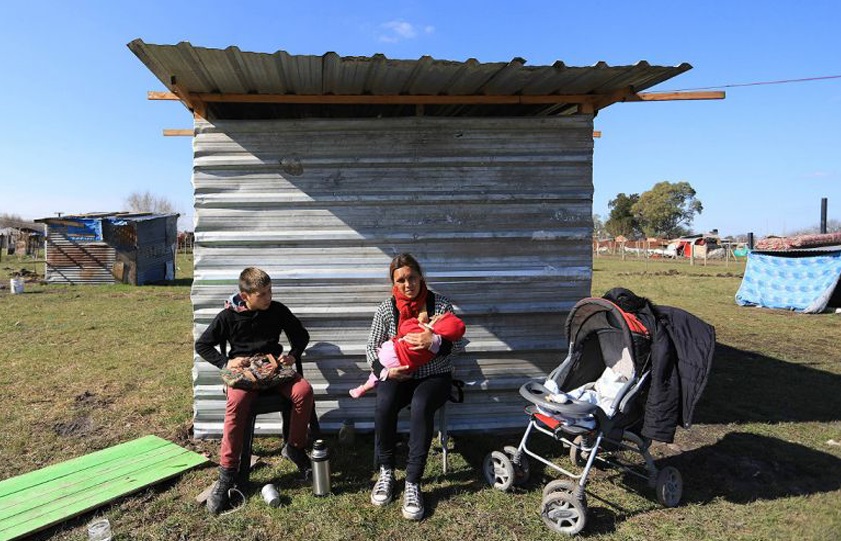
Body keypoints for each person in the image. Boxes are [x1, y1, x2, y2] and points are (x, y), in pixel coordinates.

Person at [195, 267, 314, 515]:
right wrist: (226, 363)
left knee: (303, 391)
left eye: (270, 291)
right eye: (262, 294)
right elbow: (203, 344)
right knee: (236, 405)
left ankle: (294, 446)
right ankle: (227, 474)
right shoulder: (228, 316)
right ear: (245, 295)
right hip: (244, 374)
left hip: (273, 370)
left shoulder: (277, 309)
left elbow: (300, 335)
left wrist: (292, 355)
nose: (268, 297)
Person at [367, 253, 465, 520]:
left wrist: (433, 343)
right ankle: (387, 470)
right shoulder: (387, 309)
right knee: (384, 404)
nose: (407, 284)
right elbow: (370, 347)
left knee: (421, 407)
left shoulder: (441, 305)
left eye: (411, 277)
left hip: (435, 376)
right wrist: (385, 371)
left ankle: (412, 480)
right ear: (394, 283)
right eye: (401, 280)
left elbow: (457, 346)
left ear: (421, 276)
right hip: (398, 376)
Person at [350, 311, 466, 398]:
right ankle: (365, 387)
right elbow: (371, 346)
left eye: (439, 317)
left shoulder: (423, 331)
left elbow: (404, 327)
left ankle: (364, 387)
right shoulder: (434, 349)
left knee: (380, 374)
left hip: (393, 354)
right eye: (401, 280)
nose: (435, 316)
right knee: (382, 389)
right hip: (404, 367)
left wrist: (418, 321)